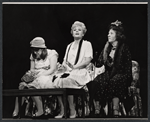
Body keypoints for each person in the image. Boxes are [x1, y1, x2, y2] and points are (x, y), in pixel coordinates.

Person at [88, 20, 132, 117]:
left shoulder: (124, 48)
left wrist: (126, 77)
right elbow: (99, 62)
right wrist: (92, 64)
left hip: (121, 73)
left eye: (111, 33)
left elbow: (127, 66)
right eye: (108, 33)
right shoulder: (106, 48)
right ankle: (97, 109)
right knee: (96, 81)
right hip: (109, 73)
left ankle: (115, 109)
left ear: (118, 35)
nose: (108, 35)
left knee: (115, 81)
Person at [53, 21, 93, 118]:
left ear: (83, 33)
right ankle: (62, 109)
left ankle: (72, 109)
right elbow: (65, 62)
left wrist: (74, 67)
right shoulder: (69, 46)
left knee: (67, 80)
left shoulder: (87, 44)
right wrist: (61, 67)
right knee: (55, 80)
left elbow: (87, 60)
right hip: (69, 72)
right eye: (75, 30)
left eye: (79, 30)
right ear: (72, 32)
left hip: (81, 72)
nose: (77, 31)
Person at [12, 37, 58, 118]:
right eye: (34, 49)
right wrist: (30, 75)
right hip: (36, 75)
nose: (35, 52)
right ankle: (16, 111)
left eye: (37, 50)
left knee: (33, 86)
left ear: (43, 48)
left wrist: (41, 75)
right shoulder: (33, 55)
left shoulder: (52, 53)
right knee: (22, 86)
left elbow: (52, 69)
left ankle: (40, 110)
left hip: (47, 75)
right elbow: (32, 69)